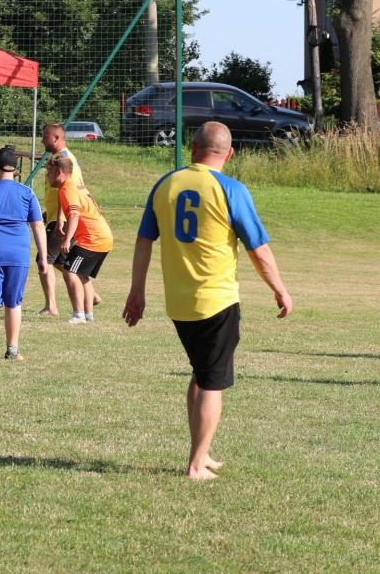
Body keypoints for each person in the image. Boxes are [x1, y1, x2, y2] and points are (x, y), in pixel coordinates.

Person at [123, 122, 293, 480]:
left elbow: (143, 241)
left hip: (179, 302)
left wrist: (137, 291)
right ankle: (196, 465)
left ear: (192, 147)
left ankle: (202, 450)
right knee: (213, 382)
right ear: (229, 154)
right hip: (216, 300)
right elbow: (258, 250)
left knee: (202, 373)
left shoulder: (165, 184)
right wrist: (279, 289)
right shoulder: (230, 189)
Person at [0, 146, 49, 363]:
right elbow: (38, 226)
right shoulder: (27, 193)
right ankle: (12, 350)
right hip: (19, 254)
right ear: (14, 170)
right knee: (13, 302)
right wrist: (43, 256)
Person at [47, 154, 113, 324]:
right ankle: (88, 315)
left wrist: (67, 240)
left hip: (92, 239)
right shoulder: (74, 186)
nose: (47, 176)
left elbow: (75, 214)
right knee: (82, 275)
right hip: (103, 237)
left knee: (70, 272)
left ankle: (79, 315)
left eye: (49, 172)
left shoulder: (67, 189)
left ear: (59, 172)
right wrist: (62, 220)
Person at [37, 123, 86, 317]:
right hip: (56, 217)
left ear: (56, 138)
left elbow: (69, 193)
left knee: (44, 260)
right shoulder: (60, 159)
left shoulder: (65, 161)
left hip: (61, 221)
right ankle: (89, 293)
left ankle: (51, 306)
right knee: (62, 263)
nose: (42, 140)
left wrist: (60, 220)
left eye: (45, 136)